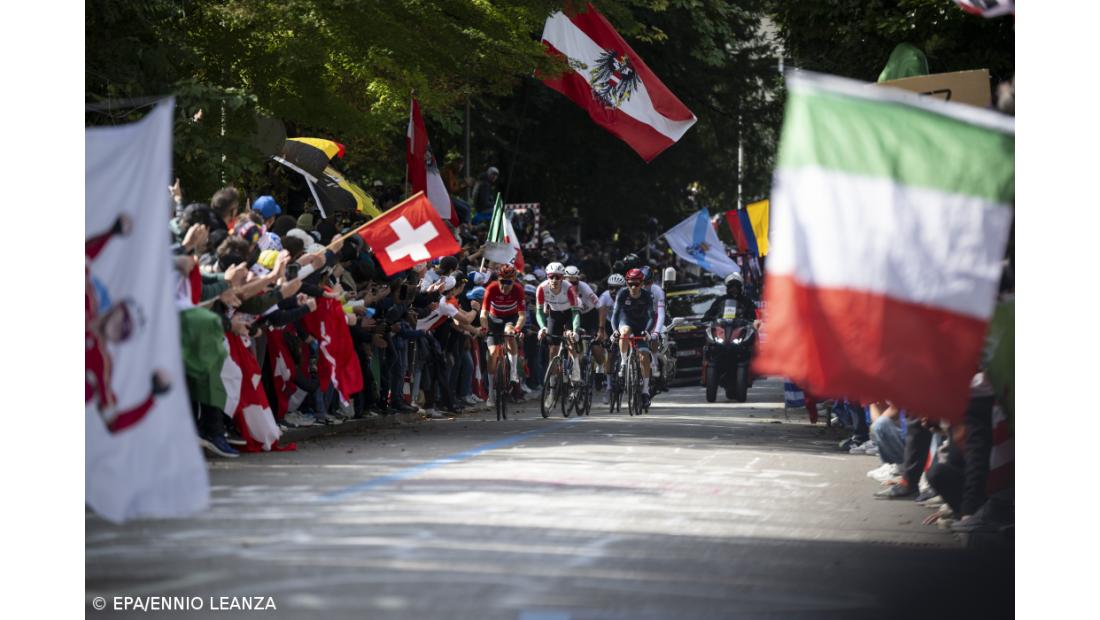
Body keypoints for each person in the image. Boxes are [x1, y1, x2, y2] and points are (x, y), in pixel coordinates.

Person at [478, 264, 526, 402]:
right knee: (493, 353)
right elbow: (483, 313)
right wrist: (484, 328)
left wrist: (517, 328)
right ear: (497, 279)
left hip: (510, 319)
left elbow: (522, 315)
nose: (504, 286)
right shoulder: (491, 288)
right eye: (502, 281)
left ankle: (513, 373)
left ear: (514, 280)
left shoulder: (518, 289)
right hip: (494, 319)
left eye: (508, 282)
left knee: (509, 334)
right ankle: (491, 393)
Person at [611, 268, 656, 406]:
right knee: (624, 333)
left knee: (644, 356)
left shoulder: (647, 296)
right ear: (627, 283)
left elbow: (651, 316)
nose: (633, 287)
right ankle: (624, 363)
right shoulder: (622, 294)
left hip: (642, 326)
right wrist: (614, 331)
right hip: (627, 322)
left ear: (642, 283)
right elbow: (615, 315)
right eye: (630, 284)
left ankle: (645, 391)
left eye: (637, 284)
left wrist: (647, 331)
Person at [536, 262, 582, 384]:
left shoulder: (569, 289)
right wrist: (542, 327)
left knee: (570, 339)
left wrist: (575, 330)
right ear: (547, 277)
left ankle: (576, 369)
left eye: (558, 277)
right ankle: (551, 388)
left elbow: (575, 313)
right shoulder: (541, 288)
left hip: (569, 315)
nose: (554, 280)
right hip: (554, 315)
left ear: (562, 278)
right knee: (553, 349)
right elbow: (539, 312)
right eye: (551, 276)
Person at [565, 265, 602, 385]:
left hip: (589, 315)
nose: (572, 285)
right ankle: (572, 371)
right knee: (571, 340)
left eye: (574, 282)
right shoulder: (561, 288)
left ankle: (600, 368)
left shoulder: (585, 287)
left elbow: (600, 307)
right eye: (568, 282)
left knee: (595, 344)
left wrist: (601, 329)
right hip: (572, 315)